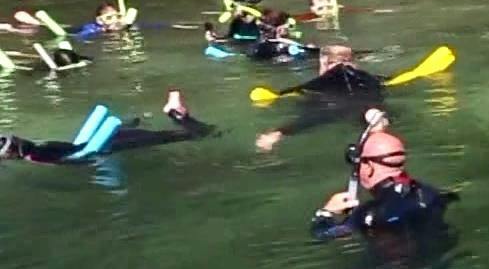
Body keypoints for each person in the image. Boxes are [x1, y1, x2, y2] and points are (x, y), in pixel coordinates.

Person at [311, 115, 457, 241]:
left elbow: (323, 235)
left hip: (398, 264)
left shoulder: (368, 214)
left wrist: (326, 212)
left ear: (369, 167)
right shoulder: (434, 194)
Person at [0, 91, 213, 164]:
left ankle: (175, 113)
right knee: (175, 136)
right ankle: (175, 113)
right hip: (106, 140)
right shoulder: (38, 149)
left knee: (200, 135)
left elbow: (75, 162)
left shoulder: (36, 156)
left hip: (106, 145)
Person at [255, 44, 385, 151]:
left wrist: (280, 130)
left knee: (312, 111)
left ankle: (277, 134)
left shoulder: (323, 81)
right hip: (369, 105)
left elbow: (302, 98)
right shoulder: (370, 78)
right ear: (353, 62)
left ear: (324, 62)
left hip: (335, 109)